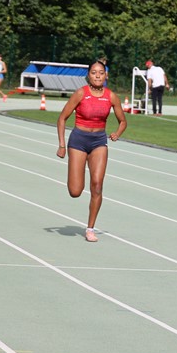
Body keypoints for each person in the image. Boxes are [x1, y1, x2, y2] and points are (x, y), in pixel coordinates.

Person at [55, 60, 127, 243]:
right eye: (94, 72)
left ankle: (90, 228)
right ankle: (74, 175)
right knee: (75, 191)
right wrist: (62, 145)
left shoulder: (111, 96)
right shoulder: (81, 93)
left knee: (97, 185)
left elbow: (123, 121)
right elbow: (62, 118)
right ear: (88, 75)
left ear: (106, 75)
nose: (97, 76)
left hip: (99, 142)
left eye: (101, 72)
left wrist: (117, 133)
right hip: (78, 141)